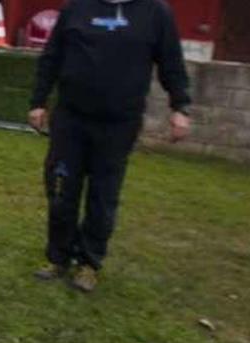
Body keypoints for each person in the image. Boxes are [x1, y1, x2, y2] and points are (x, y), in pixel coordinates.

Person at [28, 0, 191, 292]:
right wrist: (38, 101)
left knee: (103, 197)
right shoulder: (76, 9)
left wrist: (180, 106)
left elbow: (171, 62)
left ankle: (89, 264)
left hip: (119, 124)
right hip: (71, 120)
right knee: (61, 190)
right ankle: (58, 257)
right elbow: (51, 57)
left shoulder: (155, 13)